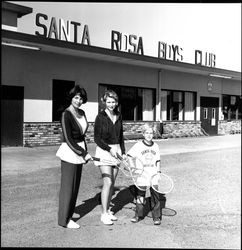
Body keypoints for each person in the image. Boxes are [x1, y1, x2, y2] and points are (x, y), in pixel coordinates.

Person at [56, 85, 92, 229]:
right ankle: (63, 220)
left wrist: (85, 152)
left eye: (81, 98)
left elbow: (82, 136)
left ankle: (69, 216)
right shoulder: (66, 114)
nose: (78, 100)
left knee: (75, 187)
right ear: (71, 98)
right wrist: (83, 153)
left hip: (80, 151)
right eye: (76, 97)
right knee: (68, 188)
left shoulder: (82, 112)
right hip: (70, 152)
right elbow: (69, 139)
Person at [94, 90, 126, 225]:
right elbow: (97, 138)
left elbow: (120, 137)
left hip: (117, 150)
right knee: (107, 183)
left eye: (113, 102)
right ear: (104, 102)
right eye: (108, 102)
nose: (111, 104)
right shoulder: (100, 117)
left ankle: (108, 210)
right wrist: (109, 149)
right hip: (104, 151)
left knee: (112, 183)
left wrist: (123, 152)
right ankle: (103, 214)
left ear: (116, 102)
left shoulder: (118, 115)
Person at [127, 123, 166, 225]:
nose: (149, 135)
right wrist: (133, 168)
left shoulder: (156, 146)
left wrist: (158, 172)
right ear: (143, 134)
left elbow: (158, 161)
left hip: (153, 174)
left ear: (153, 134)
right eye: (147, 133)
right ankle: (138, 215)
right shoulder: (138, 145)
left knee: (155, 196)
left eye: (151, 133)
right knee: (140, 195)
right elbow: (129, 156)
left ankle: (156, 217)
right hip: (142, 175)